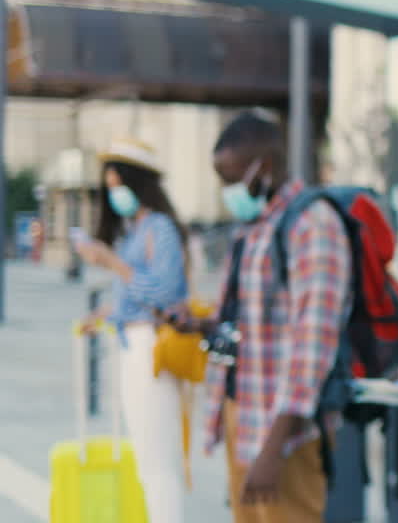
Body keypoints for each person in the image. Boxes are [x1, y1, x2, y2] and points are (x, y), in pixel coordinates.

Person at [171, 110, 352, 523]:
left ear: (264, 167)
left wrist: (273, 450)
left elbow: (314, 343)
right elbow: (252, 325)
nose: (226, 191)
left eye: (231, 178)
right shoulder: (254, 227)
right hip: (246, 413)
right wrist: (202, 324)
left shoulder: (313, 224)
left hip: (285, 432)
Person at [76, 139, 188, 523]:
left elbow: (164, 294)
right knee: (146, 458)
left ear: (138, 182)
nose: (115, 194)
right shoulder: (136, 230)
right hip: (132, 345)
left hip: (152, 348)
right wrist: (104, 315)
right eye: (109, 186)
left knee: (158, 463)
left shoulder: (161, 229)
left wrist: (112, 262)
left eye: (118, 184)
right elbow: (136, 297)